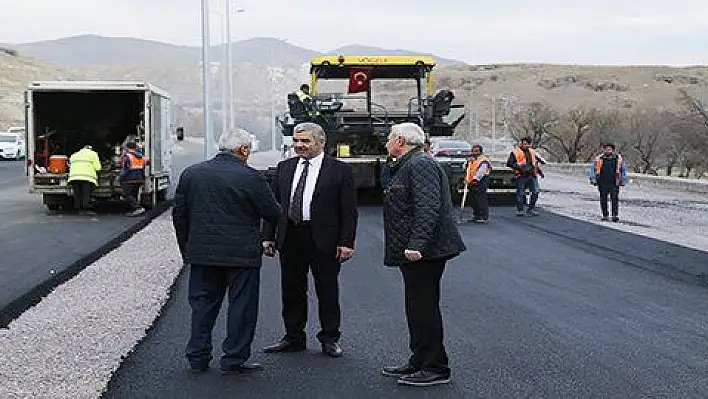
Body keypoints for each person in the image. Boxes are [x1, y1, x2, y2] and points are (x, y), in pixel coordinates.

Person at [172, 128, 282, 375]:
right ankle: (233, 359)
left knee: (202, 306)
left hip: (202, 255)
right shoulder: (251, 177)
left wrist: (188, 250)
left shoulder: (192, 174)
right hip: (241, 256)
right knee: (241, 308)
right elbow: (272, 213)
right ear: (243, 149)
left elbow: (179, 215)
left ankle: (197, 358)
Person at [261, 122, 358, 358]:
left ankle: (329, 339)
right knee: (291, 290)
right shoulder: (284, 168)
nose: (299, 146)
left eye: (305, 141)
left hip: (324, 239)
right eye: (296, 141)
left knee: (327, 291)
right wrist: (267, 236)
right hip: (290, 236)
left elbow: (348, 210)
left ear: (321, 142)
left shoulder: (339, 171)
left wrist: (346, 242)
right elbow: (274, 206)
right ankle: (293, 337)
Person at [381, 122, 466, 387]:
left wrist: (417, 244)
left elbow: (428, 208)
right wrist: (391, 161)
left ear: (400, 141)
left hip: (425, 252)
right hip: (415, 252)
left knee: (424, 308)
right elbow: (389, 186)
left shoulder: (421, 165)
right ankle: (419, 360)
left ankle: (435, 367)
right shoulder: (407, 163)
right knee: (415, 307)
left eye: (390, 137)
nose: (386, 141)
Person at [588, 143, 627, 222]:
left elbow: (623, 170)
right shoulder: (599, 159)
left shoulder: (618, 159)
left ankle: (614, 215)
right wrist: (593, 179)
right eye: (606, 149)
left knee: (614, 199)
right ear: (604, 150)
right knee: (603, 199)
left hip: (614, 182)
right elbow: (593, 169)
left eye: (610, 149)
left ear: (613, 150)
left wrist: (623, 180)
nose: (608, 150)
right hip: (602, 182)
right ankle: (605, 215)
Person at [506, 136, 541, 216]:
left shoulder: (532, 152)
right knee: (520, 193)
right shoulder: (515, 152)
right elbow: (509, 163)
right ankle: (520, 210)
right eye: (523, 143)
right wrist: (518, 166)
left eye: (527, 144)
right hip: (521, 175)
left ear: (530, 144)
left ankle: (531, 209)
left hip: (532, 174)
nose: (525, 145)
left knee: (536, 191)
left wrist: (538, 171)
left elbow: (535, 162)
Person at [67, 144, 101, 215]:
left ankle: (78, 209)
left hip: (74, 177)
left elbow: (69, 165)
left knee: (77, 193)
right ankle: (85, 209)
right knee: (86, 194)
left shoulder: (74, 154)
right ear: (90, 149)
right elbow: (98, 168)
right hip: (87, 177)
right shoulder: (93, 154)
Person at [465, 144, 492, 223]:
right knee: (473, 199)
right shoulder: (472, 160)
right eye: (473, 151)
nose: (474, 152)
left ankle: (483, 216)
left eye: (476, 151)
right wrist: (467, 162)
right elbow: (467, 169)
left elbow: (481, 172)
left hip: (481, 181)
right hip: (472, 182)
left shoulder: (483, 160)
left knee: (481, 199)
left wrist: (475, 179)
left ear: (480, 151)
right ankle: (476, 215)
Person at [119, 141, 146, 217]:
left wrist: (120, 178)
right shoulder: (141, 156)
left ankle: (138, 208)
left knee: (126, 194)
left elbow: (125, 169)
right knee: (134, 195)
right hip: (139, 179)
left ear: (127, 148)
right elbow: (146, 163)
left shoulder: (127, 156)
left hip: (130, 179)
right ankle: (134, 210)